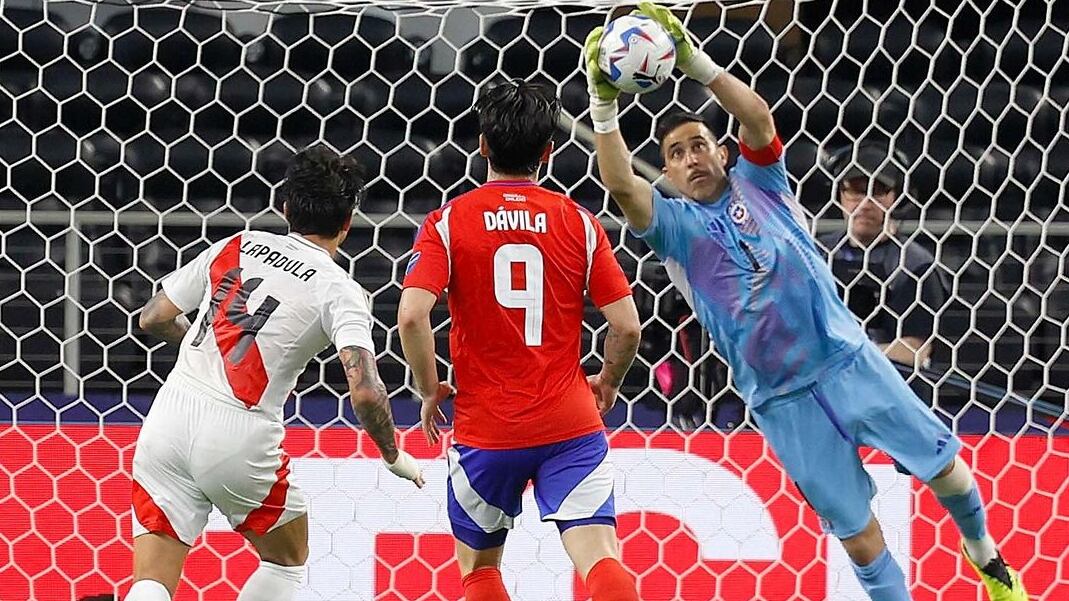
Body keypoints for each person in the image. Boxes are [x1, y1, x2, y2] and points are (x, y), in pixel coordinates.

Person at [583, 4, 1026, 601]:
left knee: (948, 472)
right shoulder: (674, 228)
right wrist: (603, 103)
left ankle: (987, 560)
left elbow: (760, 119)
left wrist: (694, 61)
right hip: (781, 401)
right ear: (667, 170)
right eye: (679, 153)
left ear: (720, 152)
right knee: (861, 540)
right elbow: (618, 186)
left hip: (849, 362)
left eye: (701, 145)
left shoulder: (761, 183)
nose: (692, 157)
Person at [129, 146, 424, 601]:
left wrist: (198, 343)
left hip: (168, 418)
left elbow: (152, 316)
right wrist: (391, 454)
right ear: (347, 224)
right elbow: (366, 392)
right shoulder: (340, 290)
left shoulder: (237, 244)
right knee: (287, 561)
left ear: (286, 207)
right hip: (239, 432)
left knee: (152, 579)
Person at [397, 79, 642, 601]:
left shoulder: (447, 223)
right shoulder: (580, 221)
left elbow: (413, 317)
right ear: (548, 152)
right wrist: (609, 383)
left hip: (487, 430)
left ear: (482, 145)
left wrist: (429, 387)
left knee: (481, 571)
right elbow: (627, 326)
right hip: (569, 422)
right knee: (600, 559)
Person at [818, 143, 949, 368]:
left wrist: (845, 351)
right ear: (838, 193)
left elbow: (914, 350)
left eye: (878, 190)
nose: (866, 203)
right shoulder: (817, 255)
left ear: (897, 197)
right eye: (856, 189)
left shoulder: (916, 265)